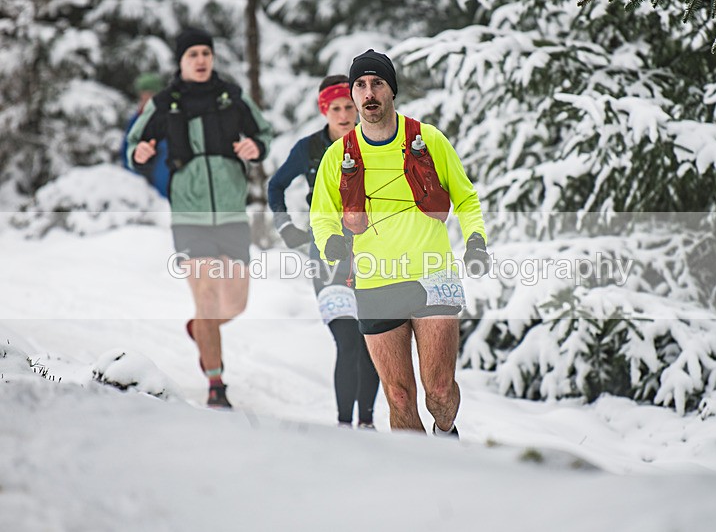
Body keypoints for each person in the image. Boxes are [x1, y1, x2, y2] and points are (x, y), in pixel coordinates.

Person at [310, 50, 492, 437]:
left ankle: (445, 435)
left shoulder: (428, 139)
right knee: (398, 396)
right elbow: (321, 215)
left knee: (440, 391)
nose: (369, 93)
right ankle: (419, 468)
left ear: (391, 90)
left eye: (377, 83)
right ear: (352, 94)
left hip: (434, 276)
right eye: (360, 85)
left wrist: (476, 240)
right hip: (375, 282)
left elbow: (466, 198)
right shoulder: (338, 155)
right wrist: (330, 244)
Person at [127, 28, 273, 408]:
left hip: (231, 212)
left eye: (206, 52)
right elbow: (134, 142)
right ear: (181, 61)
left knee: (236, 303)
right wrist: (139, 153)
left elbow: (263, 132)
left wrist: (256, 146)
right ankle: (216, 383)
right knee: (206, 296)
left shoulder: (231, 97)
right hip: (189, 215)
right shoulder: (166, 103)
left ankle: (202, 329)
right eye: (192, 54)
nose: (201, 59)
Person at [268, 75, 380, 429]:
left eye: (349, 106)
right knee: (348, 341)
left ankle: (366, 423)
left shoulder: (375, 141)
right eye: (336, 109)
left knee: (370, 342)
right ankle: (344, 425)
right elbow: (276, 185)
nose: (344, 115)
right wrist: (285, 226)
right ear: (324, 111)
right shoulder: (309, 149)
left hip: (372, 254)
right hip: (328, 256)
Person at [120, 73, 170, 197]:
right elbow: (127, 150)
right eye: (143, 97)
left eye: (150, 96)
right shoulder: (136, 121)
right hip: (139, 186)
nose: (146, 101)